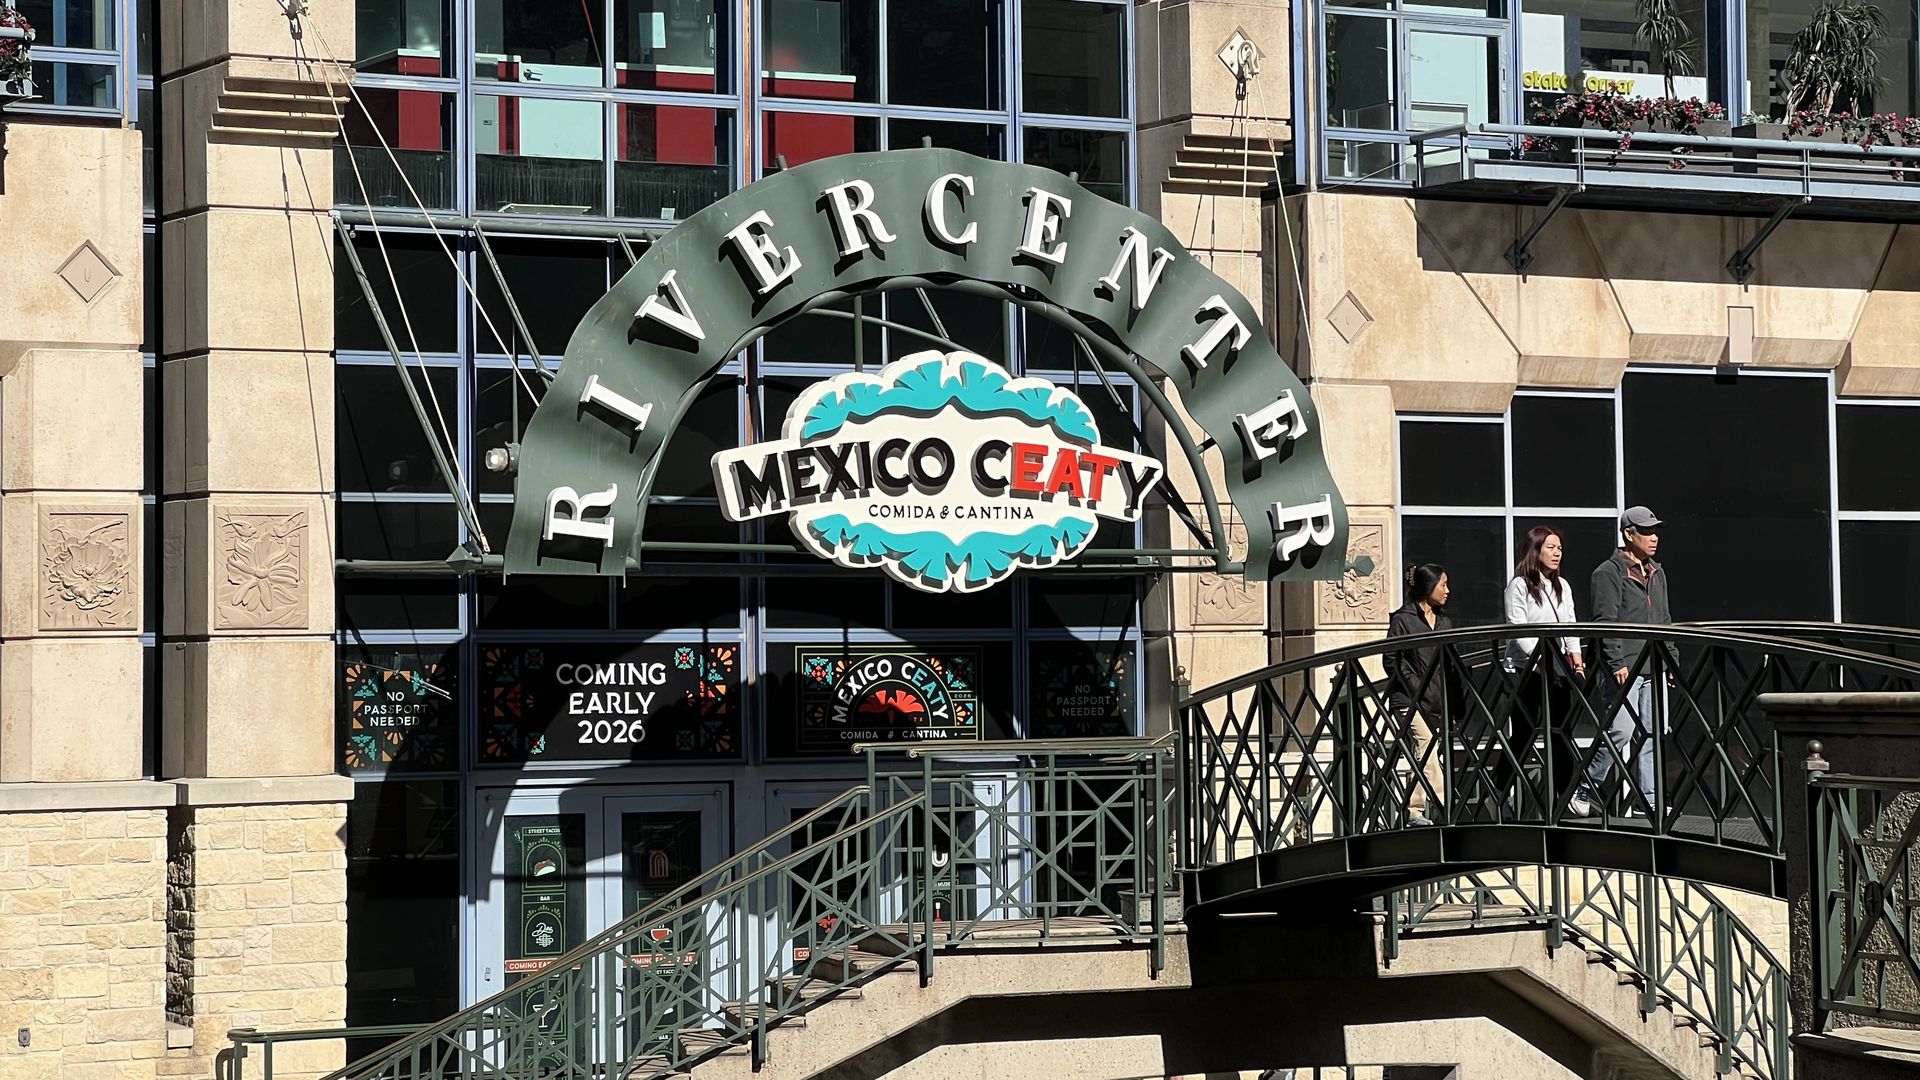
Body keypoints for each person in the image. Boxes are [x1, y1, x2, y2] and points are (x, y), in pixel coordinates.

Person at [1583, 506, 1674, 818]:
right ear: (1628, 534)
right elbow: (1605, 622)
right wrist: (1616, 661)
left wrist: (1671, 659)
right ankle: (1586, 785)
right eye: (1646, 531)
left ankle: (1648, 799)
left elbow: (1665, 620)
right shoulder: (1607, 573)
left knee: (1652, 733)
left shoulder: (1657, 572)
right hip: (1625, 668)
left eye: (1655, 531)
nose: (1654, 537)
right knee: (1619, 731)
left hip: (1655, 665)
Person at [1500, 526, 1588, 819]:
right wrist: (1540, 659)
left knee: (1560, 730)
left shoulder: (1563, 585)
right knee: (1523, 732)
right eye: (1550, 547)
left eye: (1559, 548)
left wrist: (1576, 660)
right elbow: (1518, 627)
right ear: (1534, 549)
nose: (1556, 553)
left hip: (1557, 668)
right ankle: (1499, 791)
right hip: (1526, 669)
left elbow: (1571, 624)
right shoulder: (1520, 585)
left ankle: (1567, 796)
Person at [1387, 564, 1452, 826]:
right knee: (1425, 744)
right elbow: (1393, 661)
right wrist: (1418, 689)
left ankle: (1417, 809)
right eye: (1443, 584)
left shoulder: (1445, 622)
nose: (1448, 590)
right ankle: (1437, 806)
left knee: (1428, 750)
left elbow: (1451, 664)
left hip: (1436, 700)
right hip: (1407, 699)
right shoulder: (1403, 620)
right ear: (1427, 587)